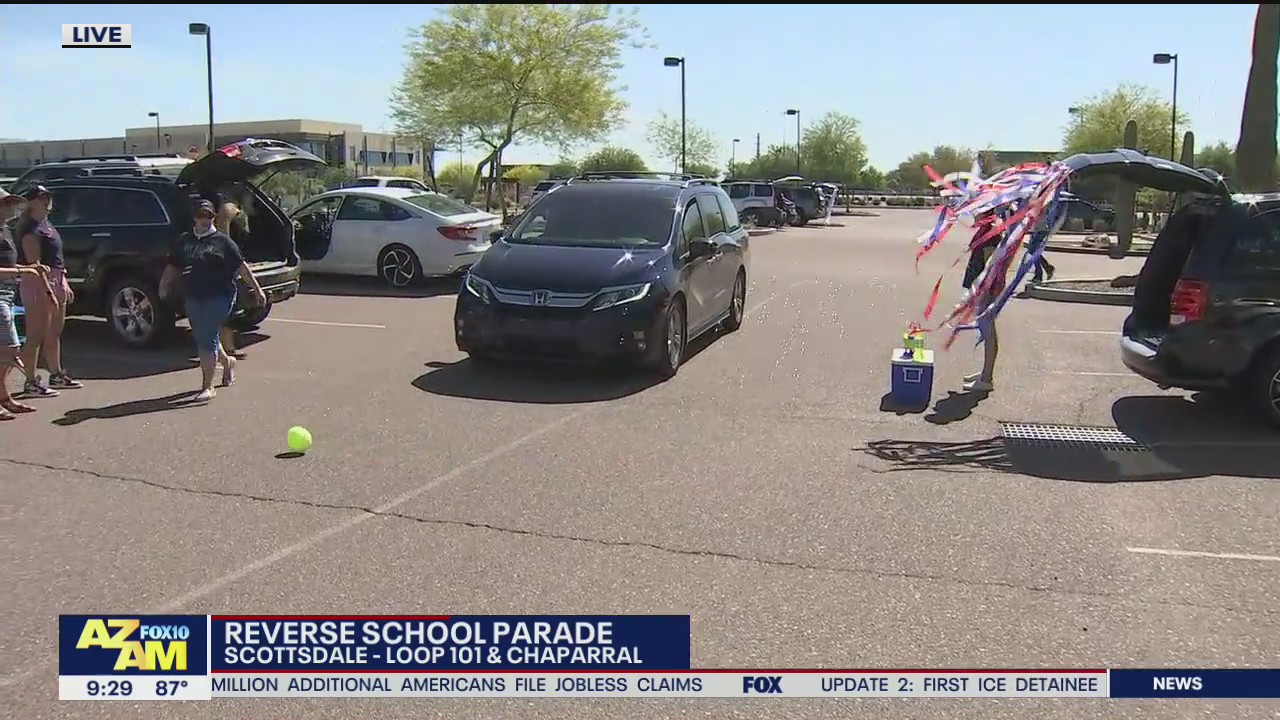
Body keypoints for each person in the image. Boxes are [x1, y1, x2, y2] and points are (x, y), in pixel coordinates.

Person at [160, 200, 267, 402]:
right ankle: (228, 363)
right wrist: (163, 286)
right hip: (194, 294)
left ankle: (208, 386)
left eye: (209, 215)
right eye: (201, 215)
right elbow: (173, 265)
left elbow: (241, 267)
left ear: (214, 217)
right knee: (204, 337)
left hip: (221, 295)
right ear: (194, 217)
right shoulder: (185, 241)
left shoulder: (223, 242)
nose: (205, 219)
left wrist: (257, 290)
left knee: (207, 335)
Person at [17, 185, 81, 397]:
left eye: (47, 197)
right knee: (36, 334)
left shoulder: (47, 225)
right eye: (41, 197)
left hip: (57, 277)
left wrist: (64, 283)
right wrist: (48, 291)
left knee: (54, 331)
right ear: (30, 202)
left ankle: (56, 374)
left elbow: (57, 258)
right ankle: (30, 381)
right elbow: (34, 263)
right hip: (38, 281)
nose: (46, 201)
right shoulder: (30, 229)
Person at [0, 190, 57, 419]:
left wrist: (28, 270)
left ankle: (4, 398)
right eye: (5, 205)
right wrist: (23, 270)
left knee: (7, 350)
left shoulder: (5, 230)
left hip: (8, 293)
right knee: (11, 349)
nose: (9, 210)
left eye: (9, 204)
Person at [960, 210, 1008, 393]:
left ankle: (987, 378)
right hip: (981, 289)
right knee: (986, 330)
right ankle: (984, 374)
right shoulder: (987, 229)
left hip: (985, 290)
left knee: (988, 332)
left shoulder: (991, 233)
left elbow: (990, 267)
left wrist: (983, 293)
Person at [215, 201, 250, 359]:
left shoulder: (229, 212)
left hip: (228, 270)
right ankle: (226, 348)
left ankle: (225, 347)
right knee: (226, 310)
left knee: (228, 309)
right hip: (223, 272)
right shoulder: (226, 211)